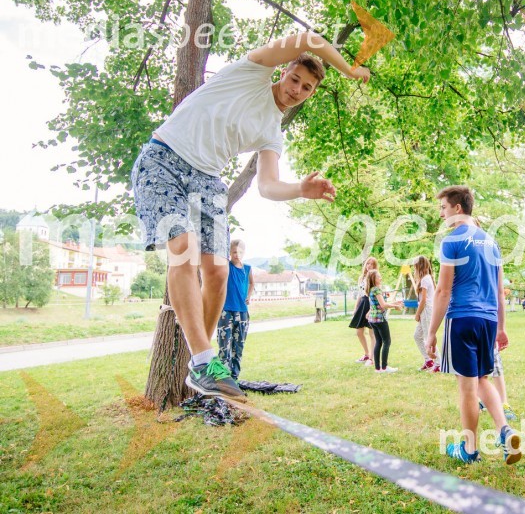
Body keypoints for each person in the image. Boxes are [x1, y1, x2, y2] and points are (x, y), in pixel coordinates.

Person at [131, 32, 370, 401]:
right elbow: (311, 39)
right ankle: (204, 359)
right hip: (164, 158)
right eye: (294, 79)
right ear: (284, 71)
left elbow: (268, 186)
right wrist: (350, 70)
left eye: (306, 88)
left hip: (208, 179)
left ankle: (203, 365)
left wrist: (300, 190)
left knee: (218, 270)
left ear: (310, 94)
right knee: (184, 248)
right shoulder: (252, 72)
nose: (296, 90)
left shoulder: (272, 131)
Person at [426, 185, 521, 465]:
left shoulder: (452, 241)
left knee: (467, 387)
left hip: (462, 318)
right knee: (482, 379)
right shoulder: (491, 242)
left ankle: (469, 449)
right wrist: (501, 327)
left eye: (443, 208)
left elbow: (443, 292)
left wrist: (431, 332)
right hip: (489, 320)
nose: (441, 214)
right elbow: (499, 289)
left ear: (457, 208)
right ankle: (505, 431)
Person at [215, 239, 254, 381]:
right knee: (224, 347)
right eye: (234, 252)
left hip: (242, 312)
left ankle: (234, 378)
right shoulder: (226, 266)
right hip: (226, 311)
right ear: (229, 253)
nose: (237, 255)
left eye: (240, 252)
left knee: (238, 348)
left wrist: (248, 296)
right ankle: (223, 379)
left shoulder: (247, 268)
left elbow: (251, 283)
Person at [365, 269, 403, 373]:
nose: (380, 278)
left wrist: (396, 302)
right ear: (374, 278)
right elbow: (384, 305)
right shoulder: (377, 289)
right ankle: (385, 367)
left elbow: (381, 303)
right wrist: (395, 307)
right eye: (379, 276)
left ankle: (378, 368)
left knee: (379, 342)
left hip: (373, 320)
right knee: (387, 341)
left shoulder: (372, 289)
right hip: (380, 319)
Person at [349, 256, 378, 365]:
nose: (369, 266)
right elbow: (359, 295)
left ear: (375, 266)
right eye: (367, 263)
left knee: (372, 333)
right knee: (359, 331)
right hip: (362, 303)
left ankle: (372, 357)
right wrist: (355, 308)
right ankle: (366, 354)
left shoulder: (375, 276)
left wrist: (371, 309)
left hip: (371, 303)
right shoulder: (361, 277)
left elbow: (375, 294)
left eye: (371, 264)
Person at [412, 255, 437, 372]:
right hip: (425, 311)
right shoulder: (425, 279)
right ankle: (428, 360)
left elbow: (424, 300)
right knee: (417, 336)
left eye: (415, 266)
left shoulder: (425, 279)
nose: (414, 269)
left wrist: (417, 314)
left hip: (426, 311)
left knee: (429, 337)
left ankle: (438, 363)